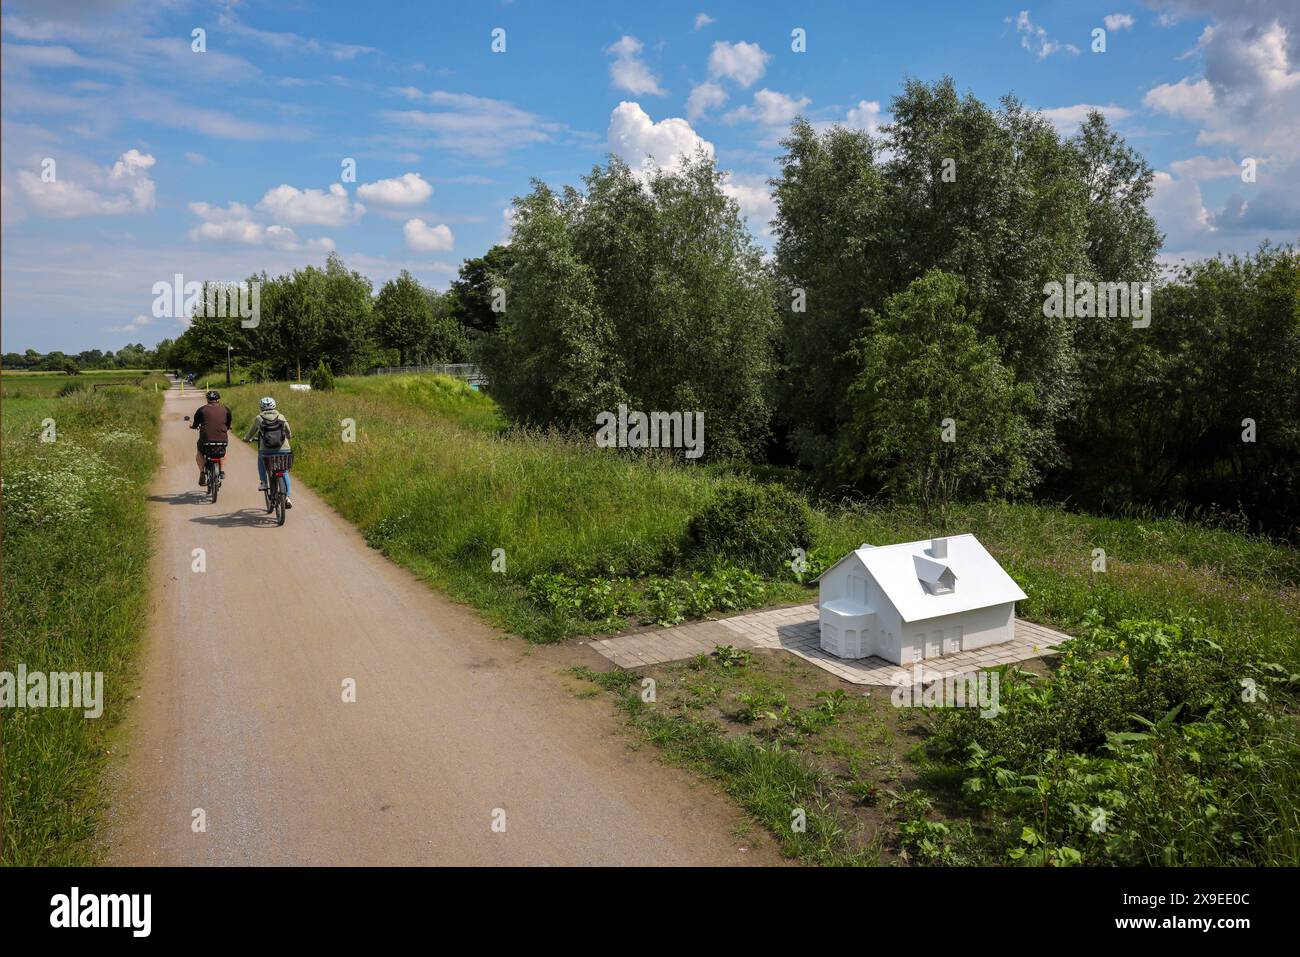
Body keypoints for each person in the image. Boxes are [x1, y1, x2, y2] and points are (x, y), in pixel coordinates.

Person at [245, 396, 293, 508]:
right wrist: (289, 436)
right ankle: (288, 497)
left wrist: (247, 439)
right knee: (284, 470)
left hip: (266, 451)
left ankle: (264, 482)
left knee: (260, 459)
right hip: (284, 449)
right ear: (274, 405)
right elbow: (288, 431)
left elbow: (251, 432)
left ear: (261, 407)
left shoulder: (259, 418)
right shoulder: (281, 416)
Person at [190, 390, 231, 487]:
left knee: (200, 452)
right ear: (218, 399)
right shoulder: (226, 409)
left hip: (206, 440)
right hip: (222, 441)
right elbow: (228, 424)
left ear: (207, 399)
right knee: (223, 454)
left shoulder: (201, 410)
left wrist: (192, 426)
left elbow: (195, 424)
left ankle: (202, 473)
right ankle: (221, 471)